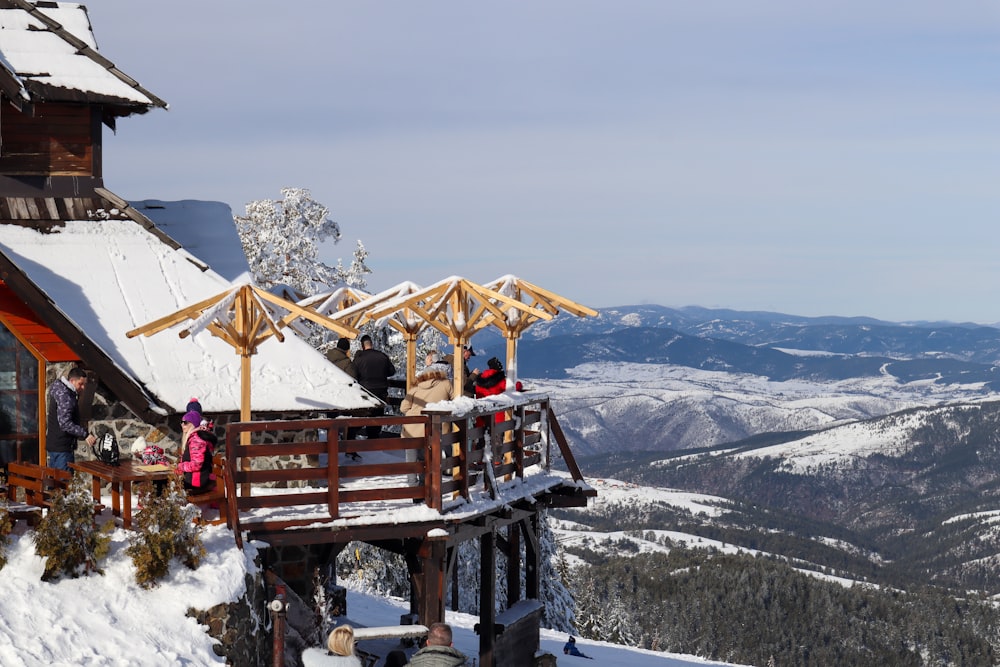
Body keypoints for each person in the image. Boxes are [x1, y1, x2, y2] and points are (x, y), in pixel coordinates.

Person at [400, 352, 453, 486]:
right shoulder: (446, 384)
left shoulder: (415, 387)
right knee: (426, 458)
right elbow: (455, 403)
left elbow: (403, 408)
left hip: (412, 428)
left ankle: (414, 488)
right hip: (433, 428)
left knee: (412, 460)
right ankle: (425, 486)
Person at [46, 366, 96, 471]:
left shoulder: (60, 390)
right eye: (80, 384)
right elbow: (65, 423)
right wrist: (85, 434)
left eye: (84, 385)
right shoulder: (66, 396)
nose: (83, 388)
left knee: (54, 483)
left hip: (54, 445)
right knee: (64, 483)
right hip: (62, 448)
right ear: (72, 381)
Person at [353, 334, 396, 439]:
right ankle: (374, 438)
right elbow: (392, 371)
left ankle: (362, 436)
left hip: (365, 390)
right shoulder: (382, 356)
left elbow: (353, 374)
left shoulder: (359, 359)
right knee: (377, 415)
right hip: (381, 390)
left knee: (364, 414)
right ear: (371, 344)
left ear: (362, 345)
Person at [175, 410, 216, 492]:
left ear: (193, 424)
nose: (182, 425)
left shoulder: (196, 440)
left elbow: (196, 465)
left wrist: (179, 466)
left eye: (185, 422)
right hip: (196, 479)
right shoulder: (195, 437)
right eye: (181, 422)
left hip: (196, 482)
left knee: (162, 485)